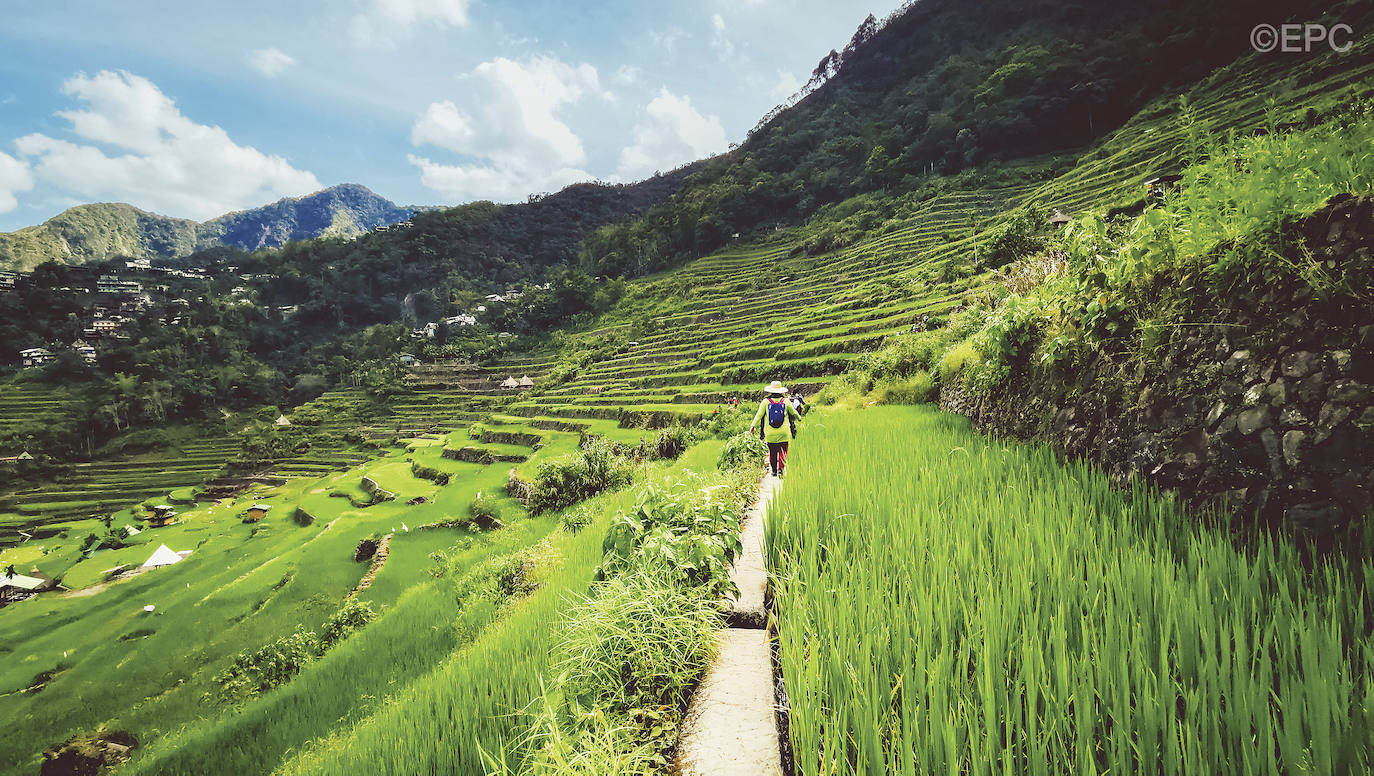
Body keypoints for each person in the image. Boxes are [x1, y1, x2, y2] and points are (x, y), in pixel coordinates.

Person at [750, 380, 801, 477]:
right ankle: (781, 470)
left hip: (770, 433)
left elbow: (759, 415)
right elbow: (794, 413)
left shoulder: (765, 402)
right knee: (783, 450)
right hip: (784, 432)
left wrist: (752, 426)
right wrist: (799, 418)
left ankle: (773, 471)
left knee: (772, 452)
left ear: (770, 391)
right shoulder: (785, 401)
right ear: (781, 391)